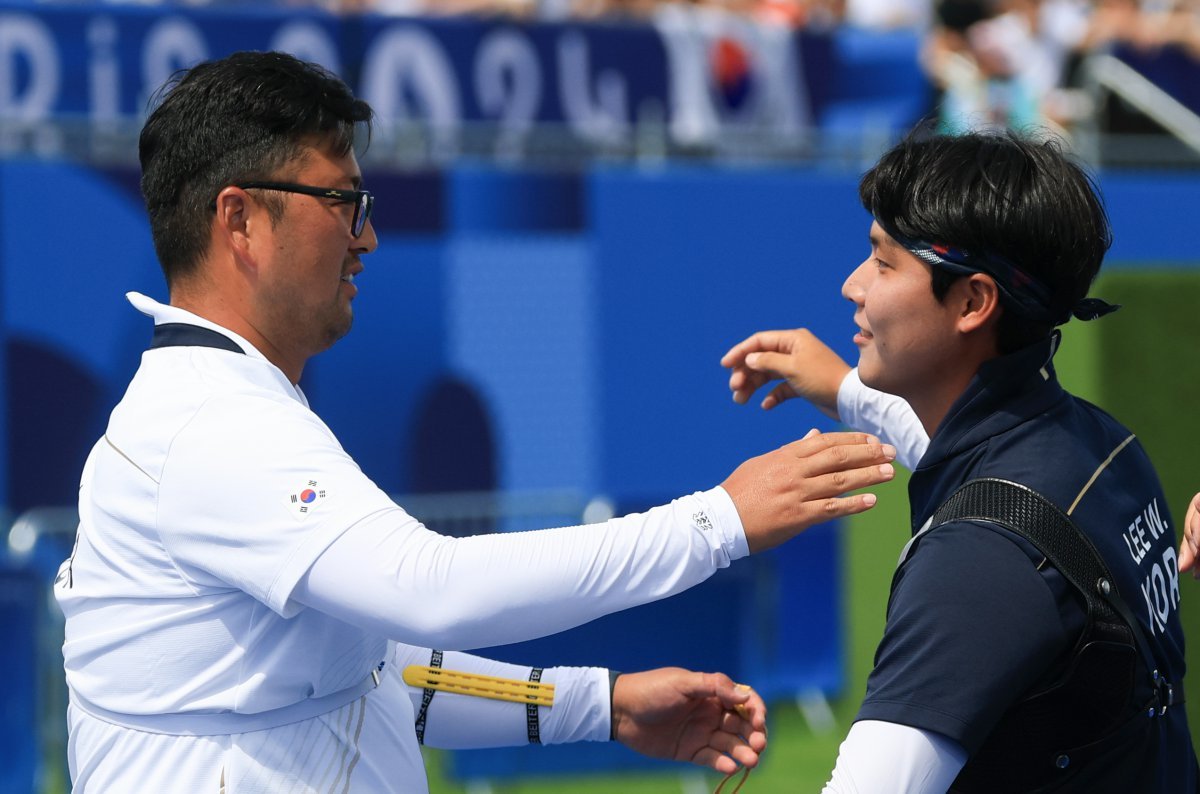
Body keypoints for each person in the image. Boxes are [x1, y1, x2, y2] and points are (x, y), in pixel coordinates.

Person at [52, 51, 898, 793]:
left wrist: (597, 705)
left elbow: (375, 672)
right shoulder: (211, 426)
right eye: (342, 199)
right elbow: (433, 591)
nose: (368, 236)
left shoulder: (230, 405)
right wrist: (714, 524)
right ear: (239, 219)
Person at [722, 128, 1197, 792]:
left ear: (973, 302)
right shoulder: (1101, 445)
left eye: (885, 263)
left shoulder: (978, 562)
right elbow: (994, 483)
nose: (851, 286)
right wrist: (842, 390)